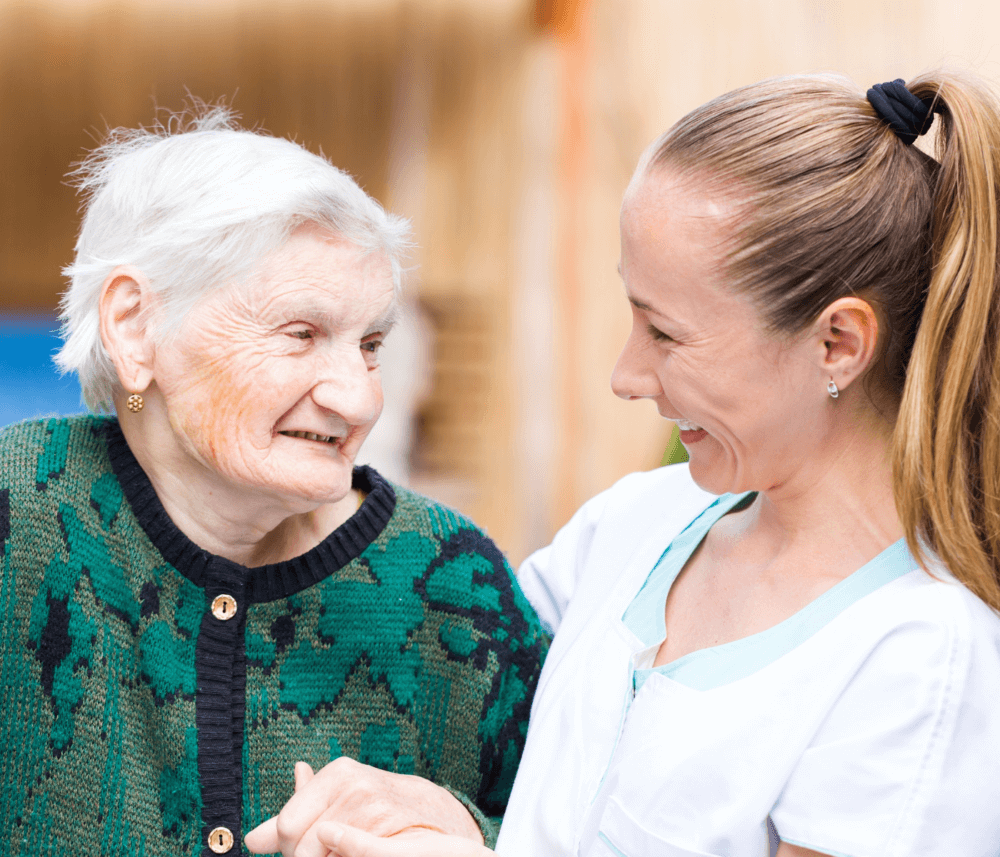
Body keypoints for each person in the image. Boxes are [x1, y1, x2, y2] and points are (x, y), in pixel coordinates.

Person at [253, 71, 1000, 857]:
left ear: (837, 343)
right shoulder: (639, 521)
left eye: (666, 335)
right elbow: (473, 698)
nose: (626, 376)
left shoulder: (921, 662)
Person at [0, 108, 549, 855]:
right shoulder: (19, 511)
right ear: (135, 326)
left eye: (371, 344)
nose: (358, 399)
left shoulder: (454, 584)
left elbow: (577, 828)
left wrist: (473, 842)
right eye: (301, 334)